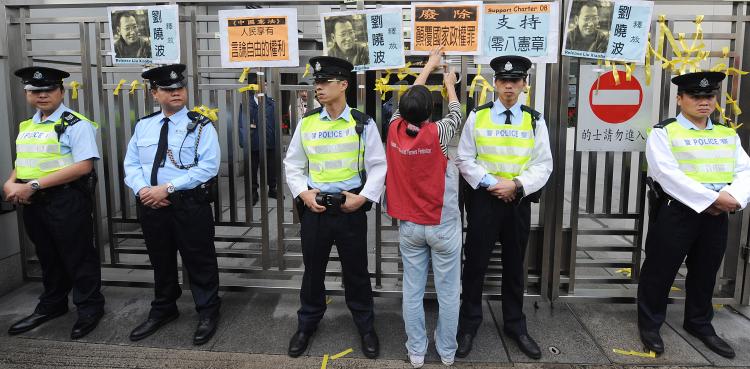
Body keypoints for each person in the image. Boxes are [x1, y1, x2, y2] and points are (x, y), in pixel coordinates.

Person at [638, 71, 750, 359]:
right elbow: (667, 174)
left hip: (717, 216)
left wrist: (733, 199)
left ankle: (699, 323)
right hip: (678, 212)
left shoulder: (727, 134)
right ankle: (650, 324)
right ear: (680, 99)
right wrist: (713, 198)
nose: (703, 102)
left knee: (705, 272)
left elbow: (744, 171)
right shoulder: (664, 132)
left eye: (709, 96)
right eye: (695, 96)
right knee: (660, 270)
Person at [283, 56, 386, 359]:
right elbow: (293, 165)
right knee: (312, 271)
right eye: (316, 82)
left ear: (344, 84)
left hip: (349, 209)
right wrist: (303, 194)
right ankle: (307, 324)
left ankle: (366, 325)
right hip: (315, 210)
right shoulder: (307, 123)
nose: (318, 87)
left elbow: (379, 166)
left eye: (325, 82)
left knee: (356, 271)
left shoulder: (362, 123)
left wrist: (363, 198)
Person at [455, 55, 553, 359]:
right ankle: (469, 324)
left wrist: (517, 185)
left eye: (515, 81)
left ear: (524, 84)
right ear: (495, 83)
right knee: (475, 265)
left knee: (514, 266)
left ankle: (515, 324)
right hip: (485, 200)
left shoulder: (534, 119)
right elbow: (464, 158)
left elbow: (543, 164)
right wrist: (491, 182)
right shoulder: (478, 116)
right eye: (503, 81)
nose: (509, 86)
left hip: (517, 201)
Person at [123, 64, 221, 346]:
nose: (176, 93)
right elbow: (131, 164)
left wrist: (166, 188)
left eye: (180, 88)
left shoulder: (201, 125)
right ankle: (164, 308)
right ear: (155, 93)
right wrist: (144, 190)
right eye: (168, 89)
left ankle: (208, 310)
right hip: (151, 205)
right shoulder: (144, 126)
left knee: (199, 260)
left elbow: (208, 167)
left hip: (188, 203)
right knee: (160, 260)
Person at [4, 66, 105, 339]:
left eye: (48, 90)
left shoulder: (76, 124)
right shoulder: (28, 126)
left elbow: (83, 166)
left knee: (78, 255)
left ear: (61, 92)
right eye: (35, 91)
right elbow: (24, 162)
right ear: (27, 94)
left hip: (66, 199)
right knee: (48, 255)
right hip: (33, 202)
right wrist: (11, 182)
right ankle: (52, 304)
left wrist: (33, 186)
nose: (42, 95)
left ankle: (89, 307)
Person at [385, 47, 462, 368]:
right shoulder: (439, 132)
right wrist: (450, 84)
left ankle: (416, 352)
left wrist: (427, 67)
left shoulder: (393, 128)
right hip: (442, 223)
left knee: (412, 292)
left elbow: (406, 103)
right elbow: (457, 112)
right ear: (431, 111)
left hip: (410, 226)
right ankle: (446, 351)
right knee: (447, 292)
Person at [238, 73, 278, 204]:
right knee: (252, 169)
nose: (264, 86)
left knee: (271, 168)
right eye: (261, 84)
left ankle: (272, 189)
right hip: (253, 142)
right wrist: (244, 142)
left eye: (265, 84)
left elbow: (275, 122)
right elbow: (241, 124)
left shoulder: (271, 103)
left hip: (269, 141)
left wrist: (276, 139)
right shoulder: (246, 103)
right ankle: (253, 192)